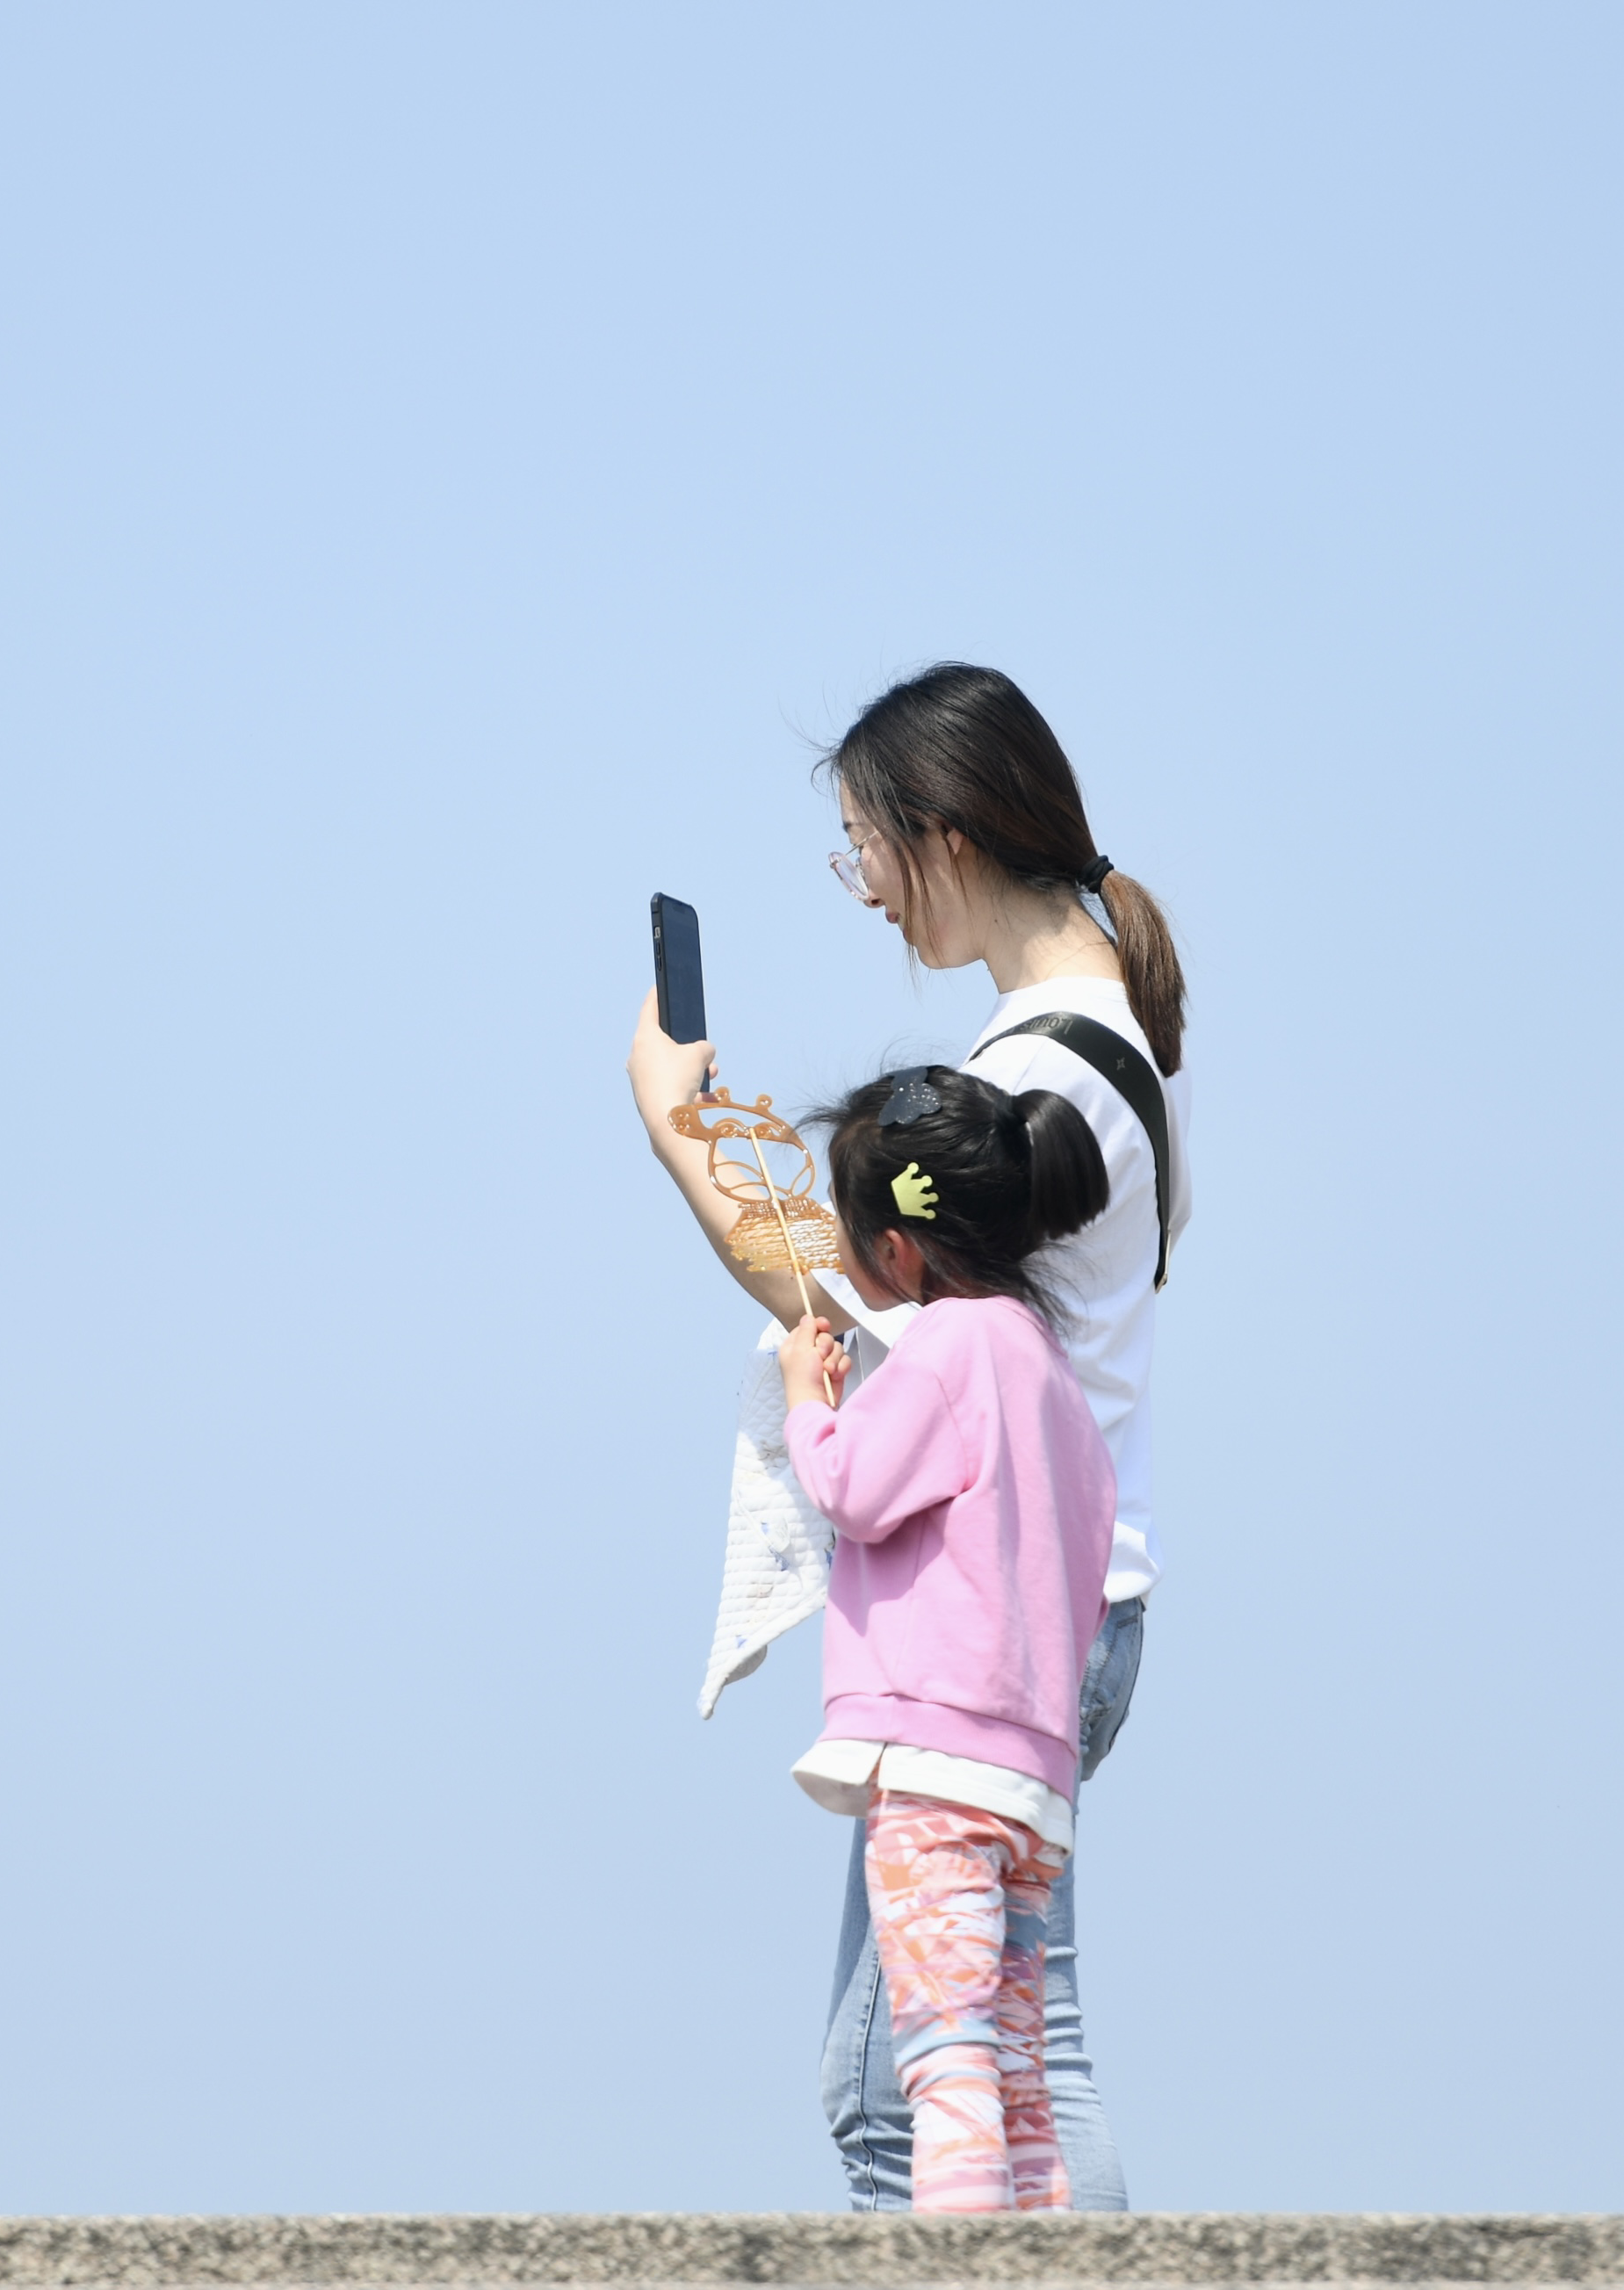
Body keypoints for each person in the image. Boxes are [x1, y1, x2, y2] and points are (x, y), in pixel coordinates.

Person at [628, 661, 1191, 2207]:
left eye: (863, 851)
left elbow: (886, 1313)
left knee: (897, 2088)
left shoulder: (1030, 1071)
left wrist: (681, 1136)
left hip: (987, 1621)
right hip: (1072, 1593)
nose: (864, 892)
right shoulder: (1108, 1039)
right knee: (1022, 2055)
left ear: (940, 833)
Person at [777, 1066, 1118, 2212]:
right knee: (1020, 2076)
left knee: (944, 2064)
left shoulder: (945, 1347)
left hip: (937, 1777)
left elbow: (855, 1487)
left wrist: (806, 1400)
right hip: (1032, 1787)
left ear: (898, 1248)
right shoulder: (1049, 1367)